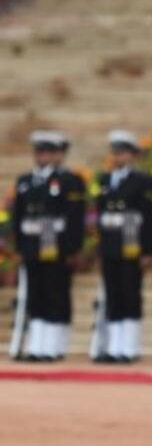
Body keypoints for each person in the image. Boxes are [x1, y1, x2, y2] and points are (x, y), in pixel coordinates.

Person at [11, 131, 85, 362]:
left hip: (56, 245)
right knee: (36, 295)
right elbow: (18, 217)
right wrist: (19, 248)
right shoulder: (25, 181)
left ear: (55, 155)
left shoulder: (68, 181)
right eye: (39, 152)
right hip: (32, 245)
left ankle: (52, 346)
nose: (42, 157)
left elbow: (75, 218)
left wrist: (73, 249)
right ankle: (37, 345)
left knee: (55, 293)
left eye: (47, 152)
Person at [93, 130, 152, 363]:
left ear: (132, 155)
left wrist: (148, 251)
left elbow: (149, 219)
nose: (118, 157)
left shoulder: (142, 182)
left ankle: (129, 347)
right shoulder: (105, 180)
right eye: (115, 152)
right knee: (113, 294)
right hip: (111, 245)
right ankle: (114, 346)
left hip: (132, 245)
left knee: (130, 293)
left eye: (122, 152)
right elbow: (100, 216)